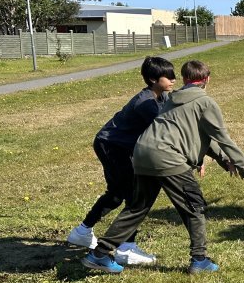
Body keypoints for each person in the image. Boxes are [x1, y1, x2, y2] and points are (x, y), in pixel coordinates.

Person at [82, 60, 244, 275]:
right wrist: (243, 167)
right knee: (194, 207)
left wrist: (216, 159)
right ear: (207, 79)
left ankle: (99, 254)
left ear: (184, 79)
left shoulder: (170, 99)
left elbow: (197, 135)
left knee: (137, 207)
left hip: (142, 153)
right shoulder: (205, 102)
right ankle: (199, 260)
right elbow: (221, 137)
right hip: (167, 158)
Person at [66, 56, 175, 265]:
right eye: (167, 76)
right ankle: (126, 248)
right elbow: (164, 132)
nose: (173, 79)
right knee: (133, 195)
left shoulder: (159, 97)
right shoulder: (147, 104)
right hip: (111, 146)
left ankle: (82, 232)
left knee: (117, 194)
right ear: (153, 79)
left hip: (118, 147)